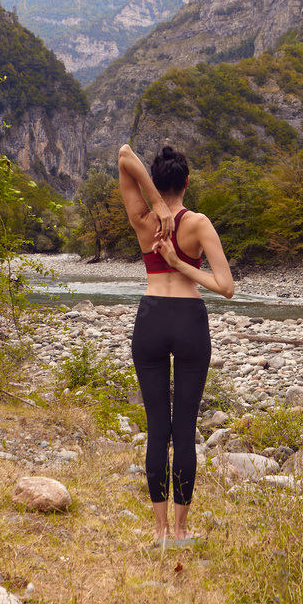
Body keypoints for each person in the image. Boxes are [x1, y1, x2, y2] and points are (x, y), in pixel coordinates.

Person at [117, 143, 234, 543]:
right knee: (183, 428)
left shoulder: (142, 217)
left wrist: (156, 206)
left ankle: (160, 531)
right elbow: (226, 287)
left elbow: (123, 155)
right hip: (188, 320)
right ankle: (181, 531)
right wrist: (184, 263)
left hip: (150, 318)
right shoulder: (198, 223)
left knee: (157, 429)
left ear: (155, 179)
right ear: (186, 181)